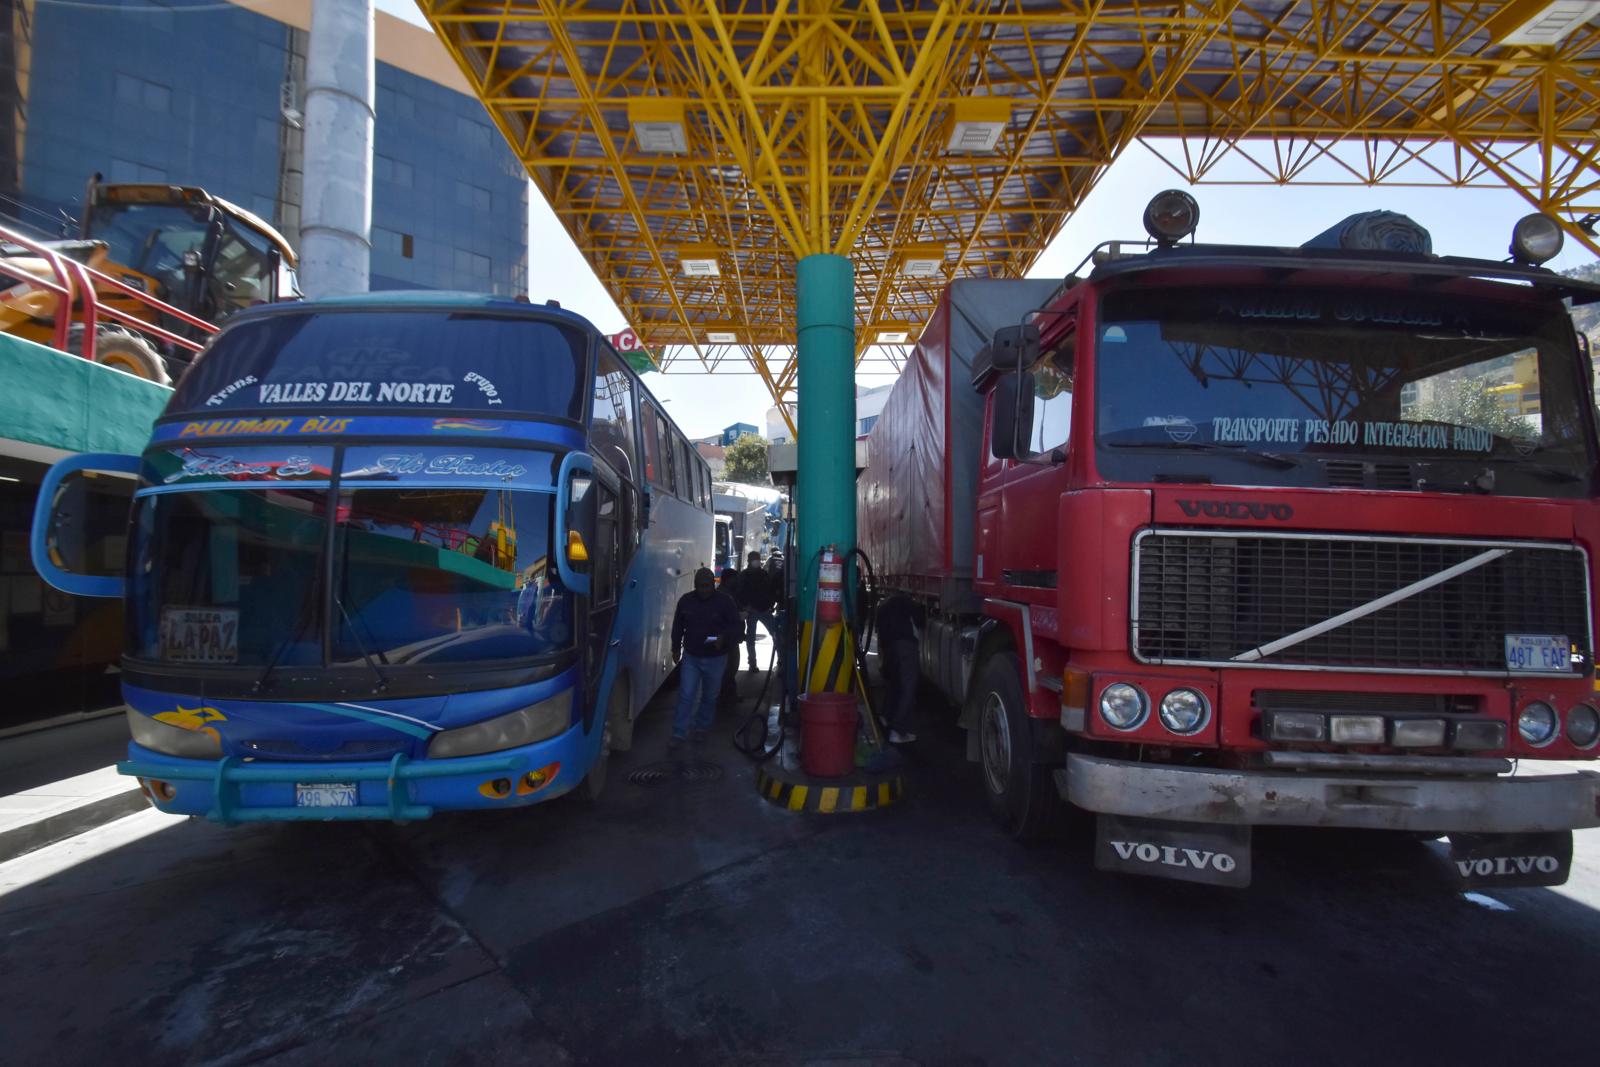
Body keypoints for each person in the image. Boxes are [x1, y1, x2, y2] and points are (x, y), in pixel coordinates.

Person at [670, 567, 742, 749]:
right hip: (691, 657)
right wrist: (675, 647)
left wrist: (723, 638)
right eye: (700, 586)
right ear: (695, 586)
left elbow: (737, 627)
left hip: (716, 658)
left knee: (710, 696)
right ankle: (679, 733)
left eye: (707, 586)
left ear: (713, 585)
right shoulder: (685, 602)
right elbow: (677, 626)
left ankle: (701, 728)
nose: (704, 590)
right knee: (686, 695)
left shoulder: (725, 602)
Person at [876, 593, 927, 744]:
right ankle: (898, 730)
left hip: (888, 647)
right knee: (908, 687)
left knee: (894, 682)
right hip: (905, 645)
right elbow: (921, 622)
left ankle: (885, 716)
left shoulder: (883, 606)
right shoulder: (910, 604)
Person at [734, 550, 778, 672]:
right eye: (754, 559)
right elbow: (739, 593)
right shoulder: (743, 576)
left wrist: (771, 604)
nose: (756, 561)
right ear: (749, 561)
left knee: (776, 634)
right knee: (751, 638)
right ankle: (752, 663)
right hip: (751, 612)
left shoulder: (764, 574)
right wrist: (745, 607)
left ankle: (780, 662)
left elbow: (771, 591)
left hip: (764, 610)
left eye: (757, 559)